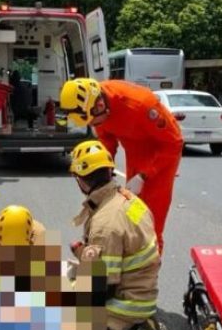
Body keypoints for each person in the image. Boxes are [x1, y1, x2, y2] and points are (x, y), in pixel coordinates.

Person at [67, 139, 170, 330]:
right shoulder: (128, 199)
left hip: (126, 304)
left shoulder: (105, 224)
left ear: (81, 181)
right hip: (141, 291)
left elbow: (103, 288)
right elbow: (122, 250)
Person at [59, 78, 183, 254]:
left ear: (100, 105)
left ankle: (148, 273)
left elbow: (174, 143)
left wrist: (145, 175)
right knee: (131, 215)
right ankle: (124, 258)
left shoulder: (141, 104)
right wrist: (102, 169)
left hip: (160, 159)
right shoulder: (93, 106)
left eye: (94, 122)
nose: (95, 126)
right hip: (134, 156)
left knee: (150, 224)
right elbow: (107, 139)